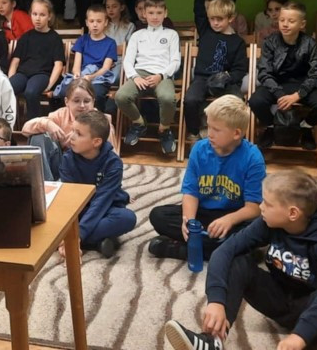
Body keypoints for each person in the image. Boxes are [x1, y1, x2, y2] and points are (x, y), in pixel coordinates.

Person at [163, 170, 317, 350]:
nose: (261, 207)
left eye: (268, 204)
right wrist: (216, 300)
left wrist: (300, 335)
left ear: (292, 213)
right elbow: (224, 251)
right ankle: (213, 341)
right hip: (280, 300)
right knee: (238, 261)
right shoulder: (268, 223)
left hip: (312, 309)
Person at [147, 95, 264, 261]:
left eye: (216, 130)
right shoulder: (199, 149)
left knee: (262, 228)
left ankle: (184, 250)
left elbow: (254, 208)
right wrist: (189, 222)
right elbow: (191, 193)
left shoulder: (253, 157)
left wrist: (229, 220)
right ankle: (229, 252)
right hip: (202, 214)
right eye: (208, 126)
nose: (209, 134)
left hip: (234, 216)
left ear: (236, 133)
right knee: (158, 215)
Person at [250, 2, 317, 151]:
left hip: (303, 85)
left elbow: (316, 75)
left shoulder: (310, 44)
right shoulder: (270, 42)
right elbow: (264, 72)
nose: (285, 24)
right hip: (276, 84)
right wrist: (279, 94)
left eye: (291, 21)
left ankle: (305, 127)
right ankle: (272, 126)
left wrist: (298, 95)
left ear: (302, 24)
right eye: (282, 20)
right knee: (255, 101)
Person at [183, 0, 249, 140]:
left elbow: (240, 69)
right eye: (212, 19)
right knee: (190, 100)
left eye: (220, 19)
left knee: (238, 103)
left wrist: (228, 77)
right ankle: (194, 133)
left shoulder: (237, 42)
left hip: (225, 81)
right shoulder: (206, 30)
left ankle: (234, 136)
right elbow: (198, 8)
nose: (215, 23)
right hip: (202, 78)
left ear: (231, 18)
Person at [58, 110, 136, 258]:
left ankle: (72, 240)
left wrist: (78, 235)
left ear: (96, 142)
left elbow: (102, 201)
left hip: (106, 208)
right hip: (78, 210)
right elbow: (70, 200)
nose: (71, 136)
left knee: (127, 218)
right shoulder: (67, 159)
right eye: (72, 130)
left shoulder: (113, 163)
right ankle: (101, 241)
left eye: (78, 134)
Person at [116, 0, 182, 155]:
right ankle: (139, 123)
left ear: (165, 13)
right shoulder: (137, 35)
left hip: (162, 74)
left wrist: (161, 75)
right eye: (151, 13)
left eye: (159, 13)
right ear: (144, 14)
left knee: (168, 98)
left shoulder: (171, 34)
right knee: (121, 96)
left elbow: (175, 61)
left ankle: (164, 129)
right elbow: (128, 61)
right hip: (140, 73)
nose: (155, 17)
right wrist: (135, 76)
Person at [22, 80, 117, 181]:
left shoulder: (101, 122)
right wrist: (47, 124)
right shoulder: (60, 115)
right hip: (61, 167)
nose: (82, 105)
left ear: (93, 102)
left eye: (86, 101)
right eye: (76, 101)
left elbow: (112, 156)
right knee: (38, 137)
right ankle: (45, 183)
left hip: (89, 169)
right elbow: (25, 130)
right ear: (67, 101)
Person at [8, 0, 65, 119]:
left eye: (42, 15)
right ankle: (6, 125)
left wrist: (49, 85)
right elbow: (15, 61)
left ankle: (34, 125)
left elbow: (58, 65)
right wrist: (11, 78)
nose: (37, 18)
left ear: (49, 16)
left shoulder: (54, 38)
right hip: (23, 74)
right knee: (6, 89)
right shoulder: (26, 37)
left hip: (42, 74)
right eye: (34, 14)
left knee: (31, 92)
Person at [69, 4, 118, 111]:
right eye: (91, 21)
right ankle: (69, 118)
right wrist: (77, 74)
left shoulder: (110, 43)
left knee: (97, 94)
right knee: (64, 91)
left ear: (105, 22)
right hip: (82, 75)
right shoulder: (82, 40)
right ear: (87, 22)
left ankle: (96, 119)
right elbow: (76, 66)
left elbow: (105, 68)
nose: (95, 25)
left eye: (99, 21)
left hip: (100, 78)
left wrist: (91, 77)